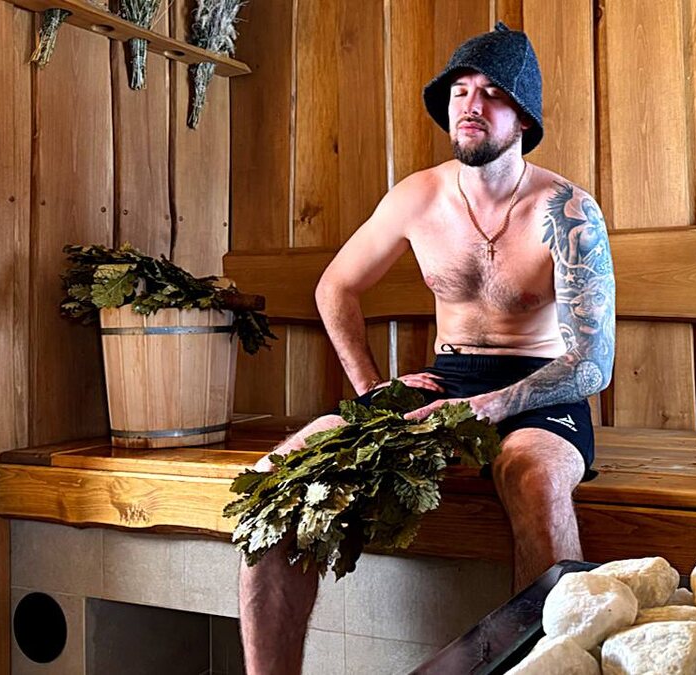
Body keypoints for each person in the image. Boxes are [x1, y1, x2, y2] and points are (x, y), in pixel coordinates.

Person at [238, 23, 616, 675]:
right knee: (282, 478)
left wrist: (488, 408)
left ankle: (550, 666)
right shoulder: (418, 196)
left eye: (491, 92)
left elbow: (592, 364)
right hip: (447, 380)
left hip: (540, 386)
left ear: (524, 117)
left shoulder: (567, 211)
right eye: (460, 90)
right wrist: (370, 387)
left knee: (535, 476)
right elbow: (335, 288)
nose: (470, 104)